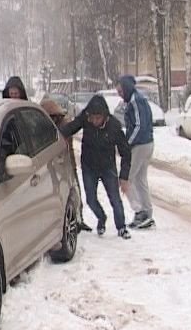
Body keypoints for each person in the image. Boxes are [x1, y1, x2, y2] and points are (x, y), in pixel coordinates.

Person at [60, 95, 132, 239]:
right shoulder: (85, 119)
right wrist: (55, 133)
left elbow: (126, 152)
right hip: (89, 166)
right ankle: (101, 217)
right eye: (92, 118)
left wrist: (124, 177)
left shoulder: (114, 126)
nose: (94, 121)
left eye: (97, 118)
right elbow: (71, 128)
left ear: (105, 116)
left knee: (115, 199)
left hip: (108, 167)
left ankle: (121, 227)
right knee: (90, 200)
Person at [39, 98, 92, 232]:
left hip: (66, 162)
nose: (52, 119)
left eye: (53, 116)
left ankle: (78, 219)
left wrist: (70, 166)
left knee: (73, 190)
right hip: (49, 165)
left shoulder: (64, 125)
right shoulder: (40, 125)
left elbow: (67, 147)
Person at [117, 75, 155, 229]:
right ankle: (147, 212)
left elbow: (139, 125)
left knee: (126, 179)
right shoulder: (138, 98)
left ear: (126, 87)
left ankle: (140, 212)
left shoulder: (135, 100)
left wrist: (127, 143)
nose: (119, 93)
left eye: (120, 90)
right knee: (140, 179)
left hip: (140, 144)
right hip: (147, 143)